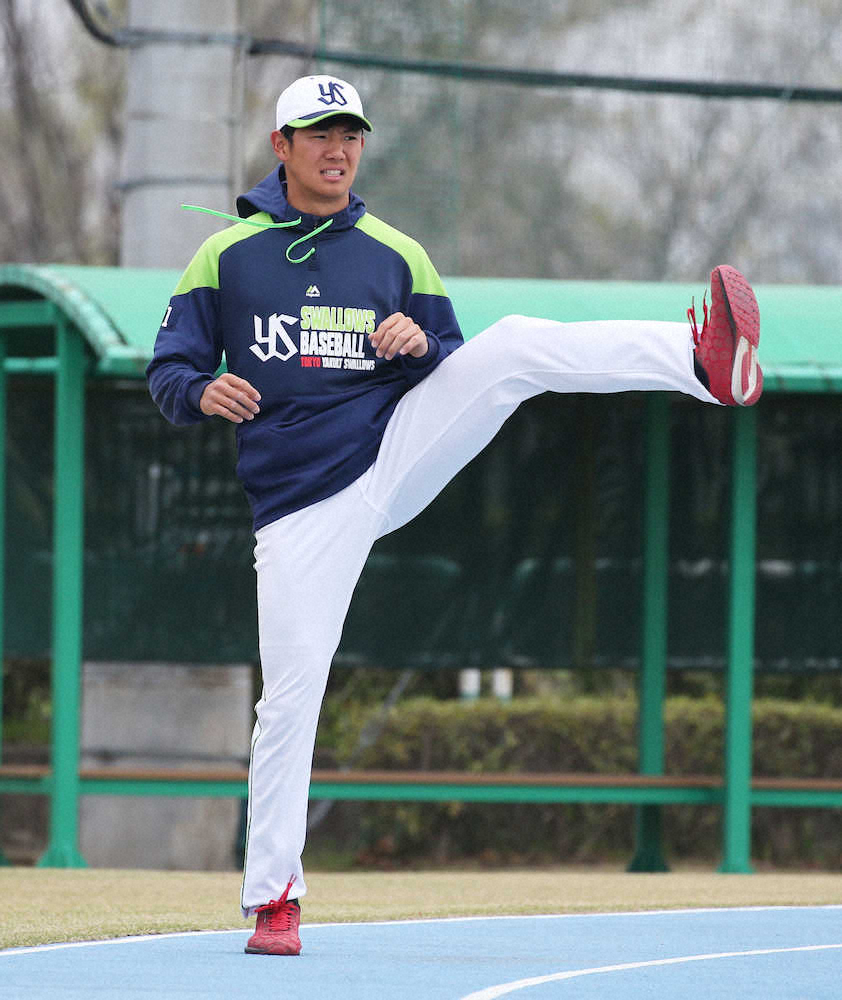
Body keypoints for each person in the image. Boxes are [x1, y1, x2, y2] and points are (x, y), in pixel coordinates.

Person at [146, 74, 763, 956]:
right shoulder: (227, 256)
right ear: (280, 147)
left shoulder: (397, 251)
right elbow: (166, 370)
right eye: (318, 132)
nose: (337, 148)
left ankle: (700, 362)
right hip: (298, 506)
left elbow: (453, 364)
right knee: (291, 696)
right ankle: (274, 896)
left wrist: (417, 344)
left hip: (393, 449)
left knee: (510, 345)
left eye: (350, 133)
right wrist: (205, 390)